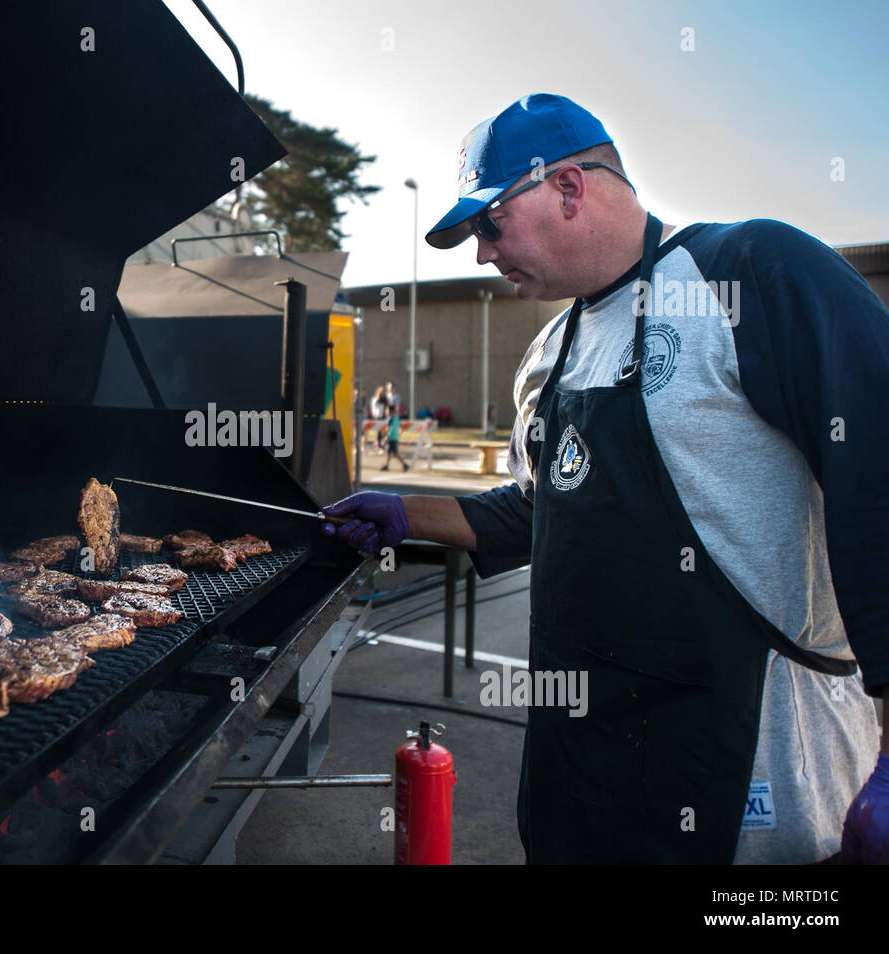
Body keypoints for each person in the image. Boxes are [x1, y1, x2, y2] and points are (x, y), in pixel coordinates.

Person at [321, 94, 889, 864]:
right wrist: (407, 513)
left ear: (568, 186)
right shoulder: (551, 350)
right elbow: (540, 509)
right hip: (580, 768)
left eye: (489, 224)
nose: (482, 255)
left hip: (748, 767)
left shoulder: (752, 274)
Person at [381, 403, 410, 472]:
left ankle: (404, 464)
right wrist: (399, 434)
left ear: (391, 411)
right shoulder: (396, 418)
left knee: (395, 453)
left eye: (387, 410)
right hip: (395, 437)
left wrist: (386, 437)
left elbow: (388, 429)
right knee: (388, 452)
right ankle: (386, 465)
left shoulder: (390, 419)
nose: (386, 411)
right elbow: (401, 427)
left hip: (390, 438)